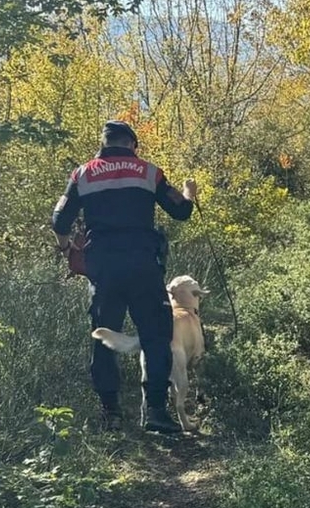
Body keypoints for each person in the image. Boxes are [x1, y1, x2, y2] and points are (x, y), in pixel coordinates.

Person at [51, 120, 197, 432]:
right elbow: (182, 211)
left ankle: (111, 413)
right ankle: (156, 412)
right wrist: (189, 192)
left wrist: (66, 249)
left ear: (103, 143)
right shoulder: (148, 172)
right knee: (156, 336)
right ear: (132, 145)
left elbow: (59, 220)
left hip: (103, 269)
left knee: (104, 335)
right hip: (143, 266)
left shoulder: (83, 174)